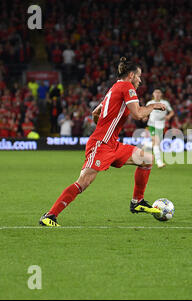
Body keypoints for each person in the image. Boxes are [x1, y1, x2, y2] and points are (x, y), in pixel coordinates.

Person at [39, 57, 166, 227]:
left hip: (113, 144)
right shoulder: (126, 86)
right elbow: (137, 114)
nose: (140, 80)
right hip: (101, 144)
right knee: (83, 182)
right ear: (130, 75)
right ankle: (50, 216)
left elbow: (95, 112)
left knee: (146, 159)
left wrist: (108, 121)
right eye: (138, 76)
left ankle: (137, 202)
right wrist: (153, 106)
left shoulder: (114, 88)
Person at [145, 89, 174, 168]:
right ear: (153, 94)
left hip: (161, 125)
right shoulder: (150, 103)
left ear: (161, 94)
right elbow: (145, 112)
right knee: (156, 142)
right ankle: (159, 162)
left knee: (157, 143)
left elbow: (172, 112)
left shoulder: (165, 103)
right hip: (151, 124)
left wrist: (168, 116)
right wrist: (145, 117)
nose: (157, 94)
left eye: (159, 92)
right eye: (155, 92)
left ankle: (146, 148)